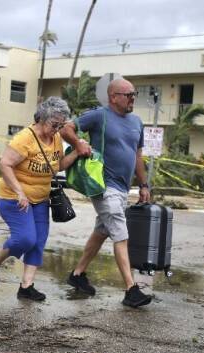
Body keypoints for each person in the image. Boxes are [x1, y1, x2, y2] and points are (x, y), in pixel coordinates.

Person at [59, 78, 153, 308]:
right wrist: (79, 142)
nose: (133, 98)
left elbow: (137, 156)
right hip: (102, 184)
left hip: (122, 188)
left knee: (102, 230)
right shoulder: (99, 115)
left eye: (134, 94)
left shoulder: (136, 122)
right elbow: (66, 128)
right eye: (128, 94)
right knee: (120, 232)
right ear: (113, 97)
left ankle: (78, 274)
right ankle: (131, 289)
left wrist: (143, 185)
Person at [0, 96, 82, 301]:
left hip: (41, 199)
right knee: (25, 238)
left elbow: (57, 166)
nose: (57, 129)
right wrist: (19, 192)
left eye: (61, 125)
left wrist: (77, 153)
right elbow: (5, 164)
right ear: (41, 119)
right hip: (14, 198)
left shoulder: (55, 138)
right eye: (55, 124)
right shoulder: (24, 139)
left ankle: (26, 287)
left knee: (38, 242)